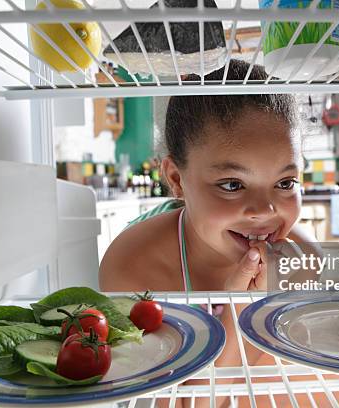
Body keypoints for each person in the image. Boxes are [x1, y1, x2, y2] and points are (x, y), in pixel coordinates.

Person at [99, 59, 324, 407]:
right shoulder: (134, 266)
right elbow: (187, 404)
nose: (265, 211)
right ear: (176, 180)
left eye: (285, 182)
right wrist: (241, 308)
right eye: (233, 184)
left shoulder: (305, 263)